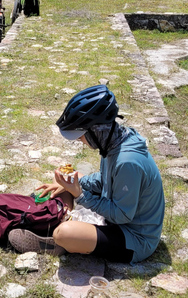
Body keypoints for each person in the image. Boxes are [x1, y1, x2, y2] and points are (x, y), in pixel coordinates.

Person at [8, 85, 165, 263]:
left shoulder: (127, 161)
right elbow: (105, 180)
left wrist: (80, 195)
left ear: (96, 131)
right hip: (117, 219)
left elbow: (121, 215)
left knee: (63, 233)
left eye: (81, 136)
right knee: (66, 178)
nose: (80, 141)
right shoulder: (114, 141)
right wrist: (70, 184)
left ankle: (61, 239)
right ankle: (64, 222)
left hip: (134, 238)